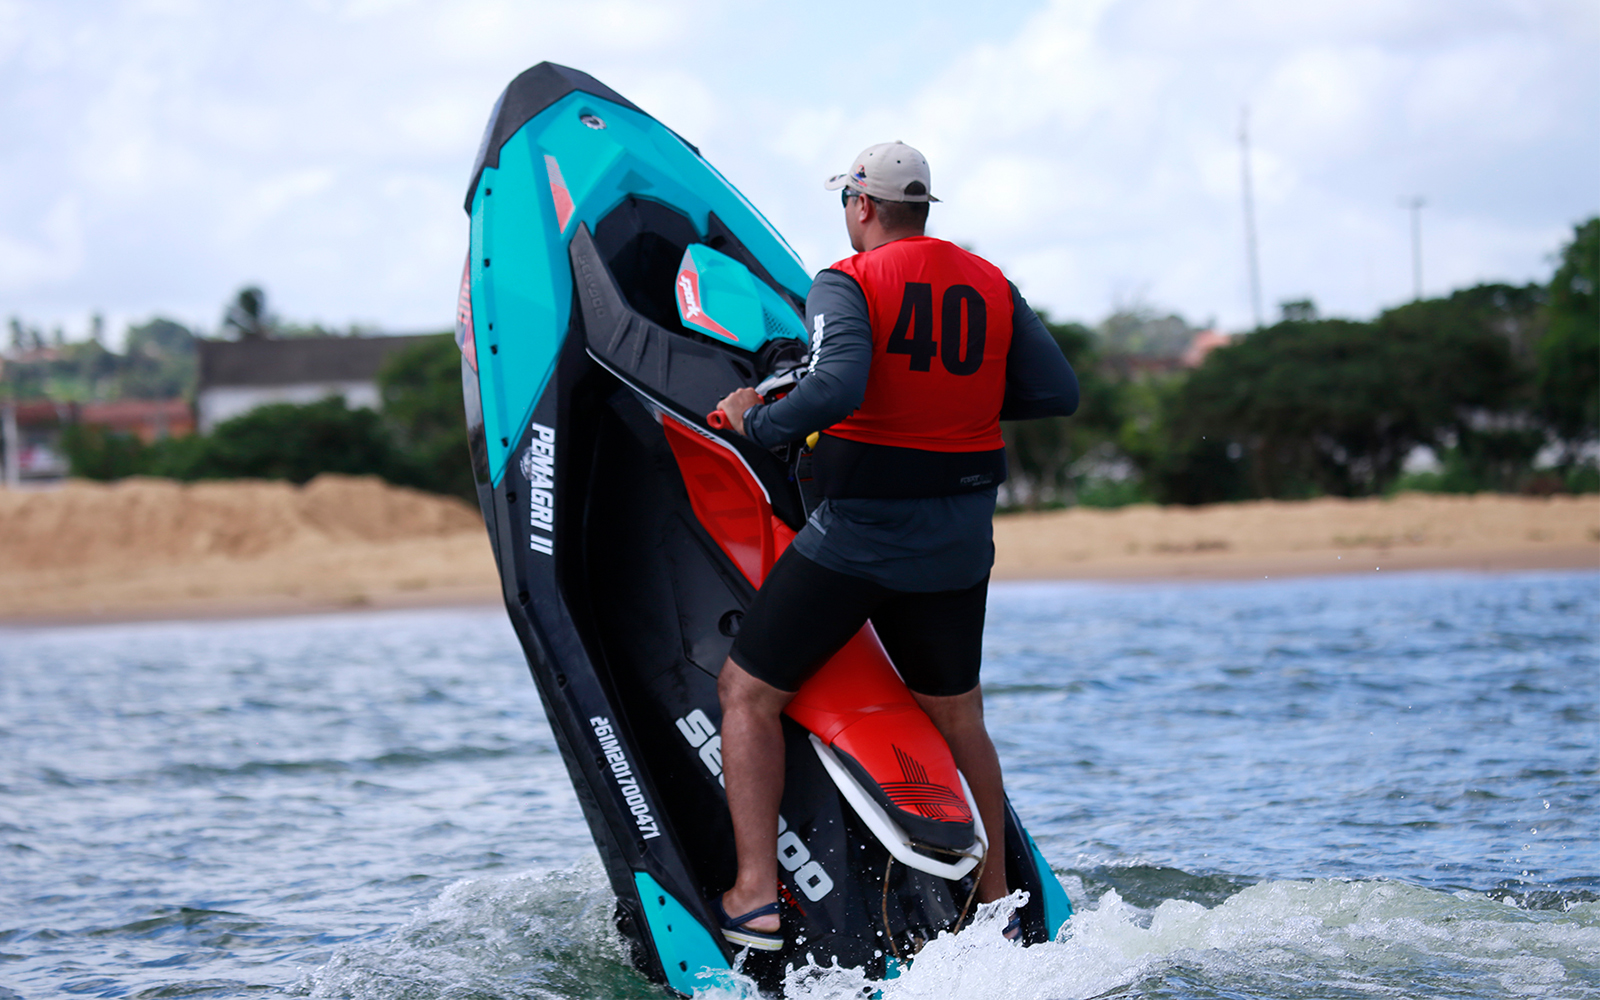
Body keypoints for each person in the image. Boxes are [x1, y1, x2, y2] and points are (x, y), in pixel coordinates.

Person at [709, 142, 1079, 951]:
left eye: (847, 199)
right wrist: (956, 386)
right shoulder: (989, 282)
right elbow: (1056, 390)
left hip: (861, 538)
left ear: (863, 206)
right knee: (959, 714)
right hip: (956, 542)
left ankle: (755, 896)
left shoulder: (846, 280)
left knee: (747, 692)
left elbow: (837, 384)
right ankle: (994, 901)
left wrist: (760, 424)